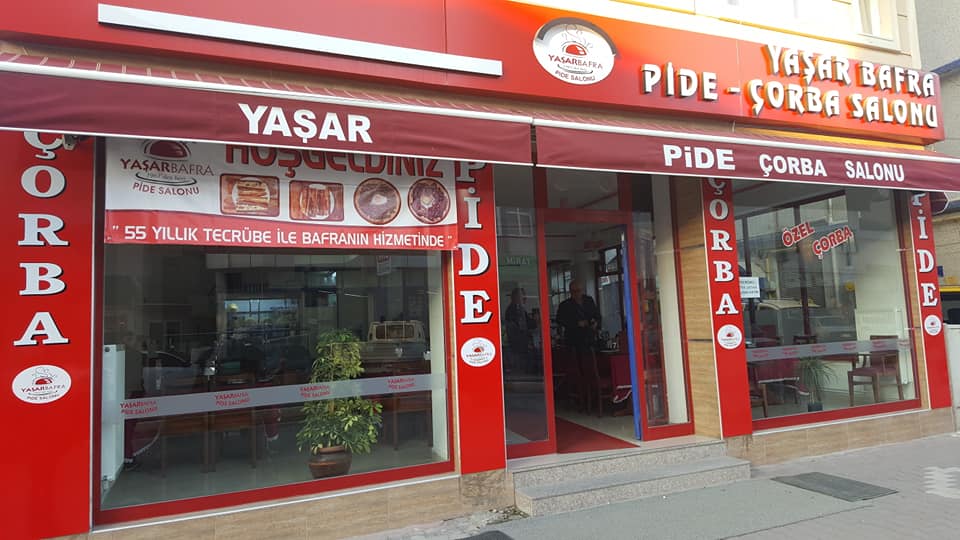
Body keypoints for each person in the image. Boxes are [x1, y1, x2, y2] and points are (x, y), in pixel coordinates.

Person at [556, 280, 601, 411]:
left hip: (590, 339)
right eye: (574, 292)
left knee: (595, 365)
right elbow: (560, 320)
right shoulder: (565, 305)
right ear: (570, 292)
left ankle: (594, 397)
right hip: (574, 341)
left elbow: (597, 316)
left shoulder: (589, 301)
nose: (577, 294)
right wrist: (576, 324)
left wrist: (595, 323)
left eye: (579, 291)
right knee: (578, 371)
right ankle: (581, 398)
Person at [503, 287, 536, 373]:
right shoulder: (514, 310)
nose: (525, 298)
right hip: (518, 345)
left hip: (520, 344)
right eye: (522, 296)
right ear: (515, 297)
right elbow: (523, 325)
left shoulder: (519, 309)